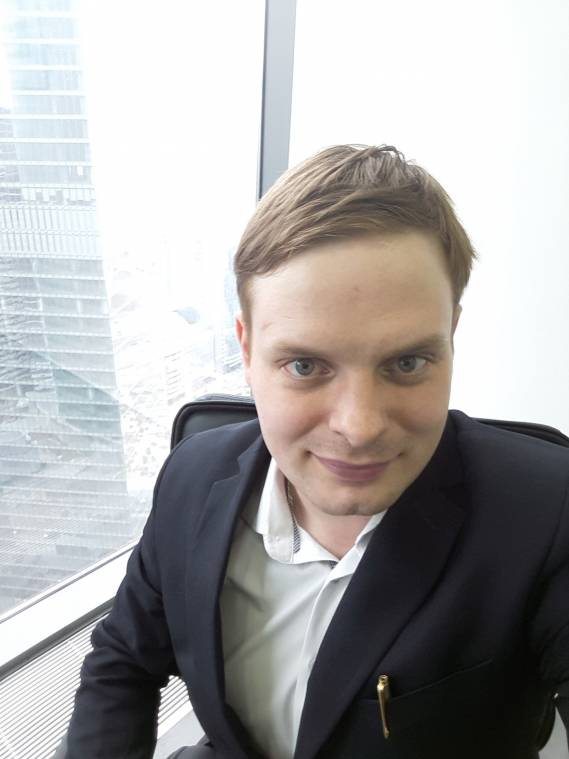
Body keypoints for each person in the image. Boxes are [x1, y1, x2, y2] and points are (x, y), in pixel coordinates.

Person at [61, 145, 569, 759]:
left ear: (451, 337)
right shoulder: (191, 474)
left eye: (408, 362)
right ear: (246, 350)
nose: (359, 427)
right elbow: (124, 656)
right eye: (305, 365)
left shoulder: (548, 510)